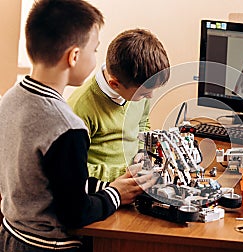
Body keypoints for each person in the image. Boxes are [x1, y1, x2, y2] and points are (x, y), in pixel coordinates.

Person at [0, 1, 154, 252]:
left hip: (12, 239)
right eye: (94, 50)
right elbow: (76, 212)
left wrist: (108, 186)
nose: (97, 59)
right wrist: (116, 193)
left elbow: (49, 181)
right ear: (73, 56)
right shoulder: (66, 127)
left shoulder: (9, 99)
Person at [68, 28, 170, 182]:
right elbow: (71, 167)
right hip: (104, 188)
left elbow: (142, 122)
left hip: (133, 178)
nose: (150, 97)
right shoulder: (80, 108)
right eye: (143, 94)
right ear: (115, 84)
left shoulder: (139, 89)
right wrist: (122, 173)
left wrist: (143, 149)